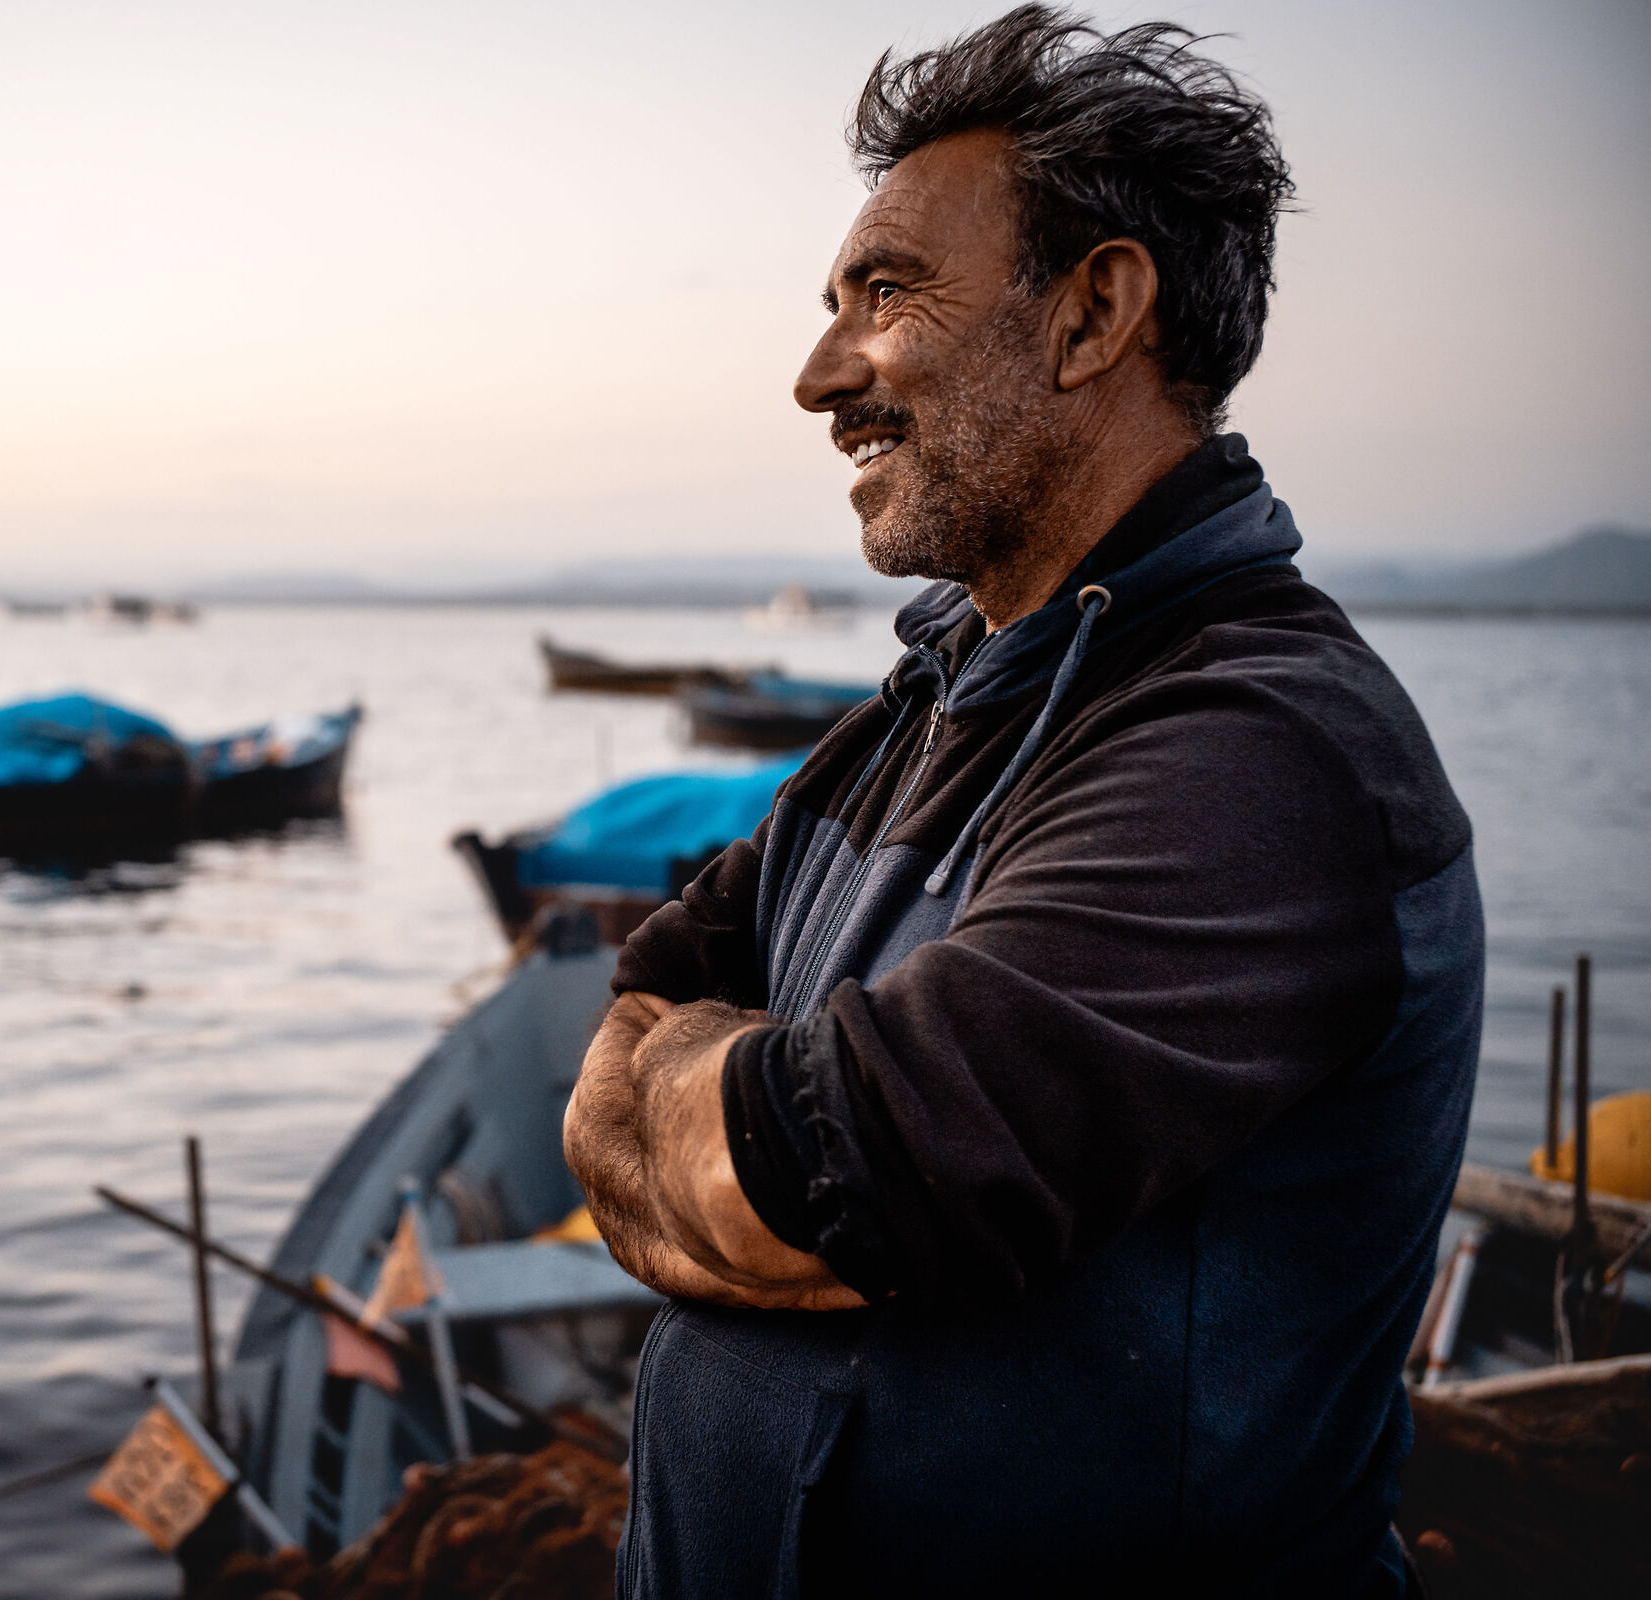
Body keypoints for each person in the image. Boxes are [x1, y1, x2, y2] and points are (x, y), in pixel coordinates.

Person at [561, 7, 1482, 1594]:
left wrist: (706, 1099)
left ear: (1092, 313)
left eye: (883, 294)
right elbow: (632, 1020)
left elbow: (825, 1182)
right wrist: (714, 1083)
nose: (817, 376)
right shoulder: (925, 708)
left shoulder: (1260, 749)